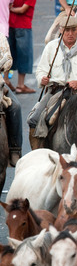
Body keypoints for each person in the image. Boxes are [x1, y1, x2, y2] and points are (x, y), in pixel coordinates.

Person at [27, 15, 77, 147]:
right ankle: (40, 153)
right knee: (35, 119)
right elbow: (41, 70)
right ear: (61, 30)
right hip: (55, 92)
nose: (70, 34)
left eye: (73, 30)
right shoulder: (51, 47)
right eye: (67, 30)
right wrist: (42, 78)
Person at [4, 0, 40, 94]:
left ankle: (6, 78)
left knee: (10, 52)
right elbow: (23, 9)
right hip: (23, 25)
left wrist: (9, 9)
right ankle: (20, 84)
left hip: (10, 24)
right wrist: (14, 9)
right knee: (24, 54)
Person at [0, 31, 23, 166]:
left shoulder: (0, 37)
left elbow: (8, 59)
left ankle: (15, 149)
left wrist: (2, 65)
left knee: (15, 106)